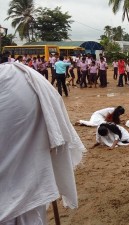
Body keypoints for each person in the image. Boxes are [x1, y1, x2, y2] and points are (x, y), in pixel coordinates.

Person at [0, 62, 85, 224]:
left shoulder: (24, 78)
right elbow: (55, 131)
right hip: (29, 190)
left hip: (26, 193)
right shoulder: (29, 80)